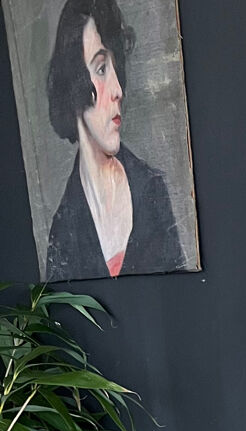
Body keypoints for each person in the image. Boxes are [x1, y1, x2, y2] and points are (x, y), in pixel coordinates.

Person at [45, 0, 184, 280]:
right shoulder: (63, 231)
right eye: (100, 69)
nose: (118, 89)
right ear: (74, 84)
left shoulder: (151, 190)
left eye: (114, 67)